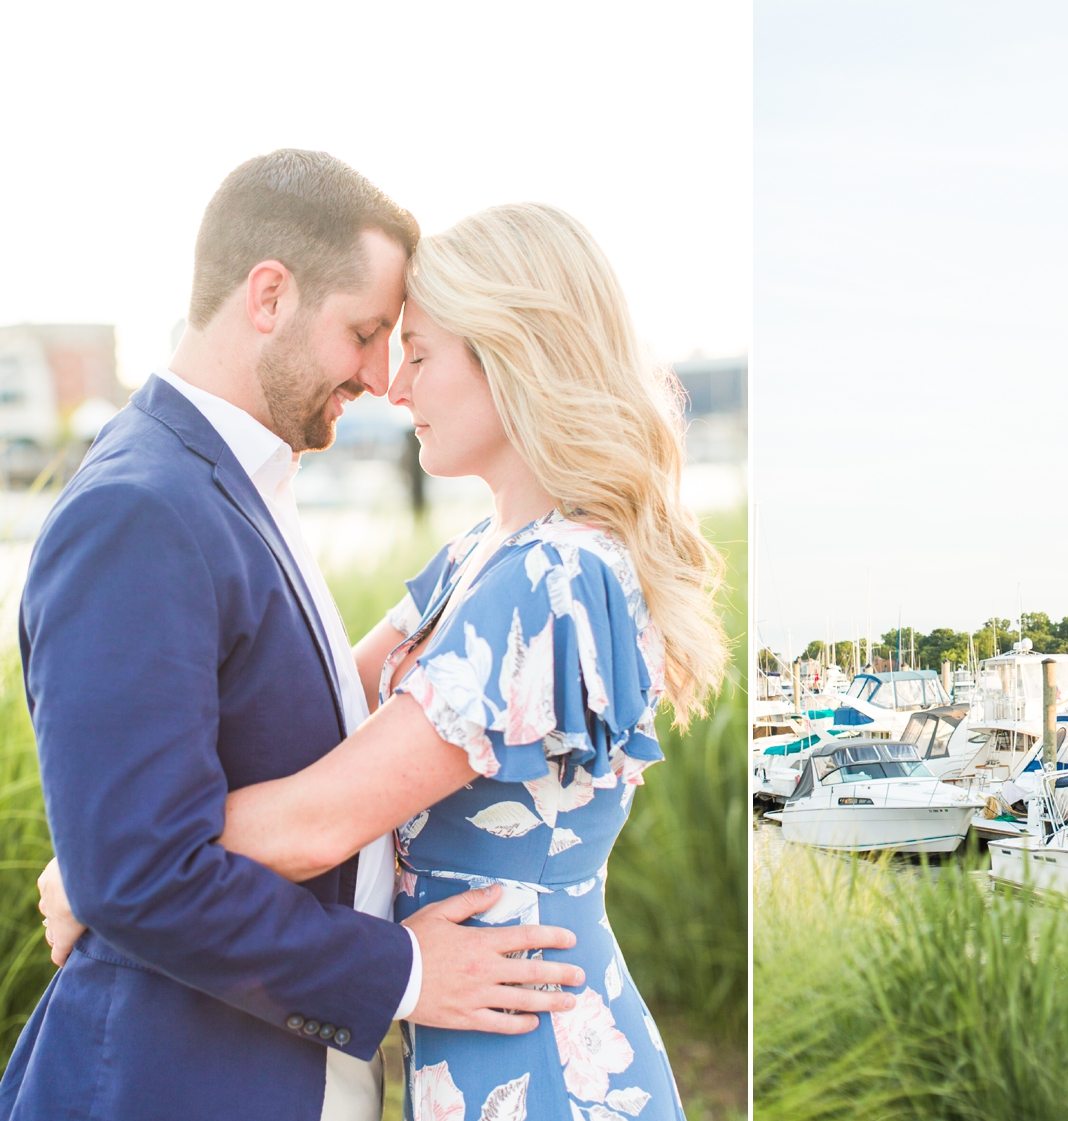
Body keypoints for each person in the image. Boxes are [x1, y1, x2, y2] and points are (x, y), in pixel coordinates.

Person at [38, 201, 730, 1119]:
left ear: (511, 356)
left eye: (419, 352)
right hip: (468, 1039)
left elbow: (318, 819)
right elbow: (333, 705)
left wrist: (99, 868)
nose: (393, 386)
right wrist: (109, 855)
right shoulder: (479, 558)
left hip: (546, 1059)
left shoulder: (557, 578)